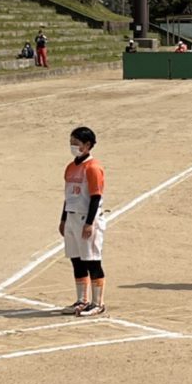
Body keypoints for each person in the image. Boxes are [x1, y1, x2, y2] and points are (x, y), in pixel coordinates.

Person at [59, 126, 107, 316]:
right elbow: (68, 196)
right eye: (71, 142)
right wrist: (63, 219)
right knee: (77, 260)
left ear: (87, 145)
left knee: (92, 261)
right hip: (72, 218)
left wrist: (89, 223)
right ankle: (82, 300)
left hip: (86, 219)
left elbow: (95, 197)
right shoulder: (70, 167)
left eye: (76, 143)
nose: (73, 146)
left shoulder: (93, 167)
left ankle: (98, 303)